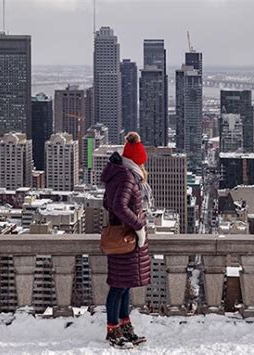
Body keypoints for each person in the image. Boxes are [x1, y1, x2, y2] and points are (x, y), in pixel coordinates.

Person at [100, 132, 152, 348]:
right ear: (136, 160)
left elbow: (107, 203)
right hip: (126, 238)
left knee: (125, 286)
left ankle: (125, 327)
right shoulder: (127, 177)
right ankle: (113, 331)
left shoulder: (121, 174)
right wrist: (137, 226)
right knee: (118, 287)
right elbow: (118, 206)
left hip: (126, 237)